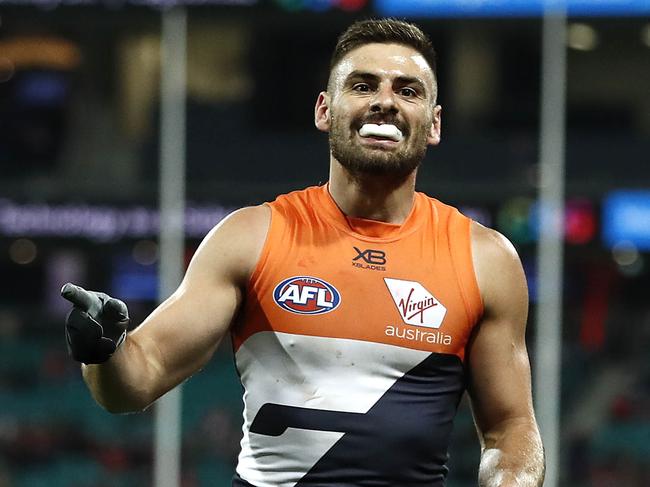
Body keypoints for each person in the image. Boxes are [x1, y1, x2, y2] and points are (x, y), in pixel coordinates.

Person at [62, 18, 545, 487]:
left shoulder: (484, 259)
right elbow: (138, 378)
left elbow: (511, 431)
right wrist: (104, 351)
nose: (385, 102)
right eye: (362, 85)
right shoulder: (251, 237)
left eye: (408, 90)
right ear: (324, 111)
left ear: (434, 124)